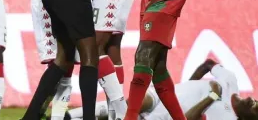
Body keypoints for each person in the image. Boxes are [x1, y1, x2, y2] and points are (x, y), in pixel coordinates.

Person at [63, 60, 258, 120]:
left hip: (166, 118)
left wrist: (212, 97)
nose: (255, 103)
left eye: (256, 110)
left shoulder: (227, 119)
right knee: (131, 104)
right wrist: (188, 85)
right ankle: (72, 115)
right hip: (163, 97)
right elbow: (208, 64)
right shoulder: (230, 80)